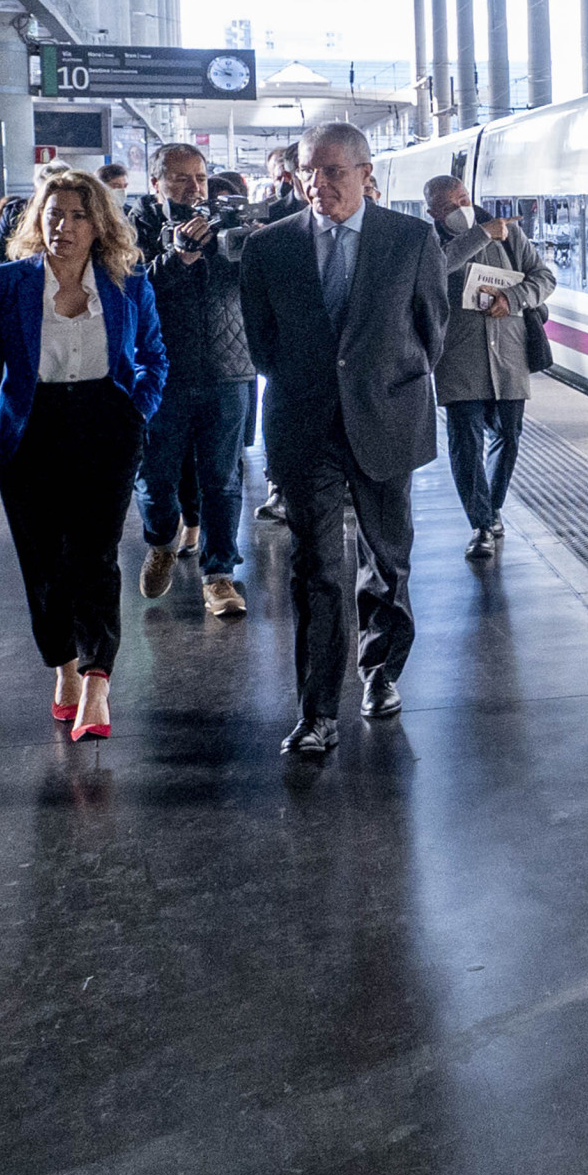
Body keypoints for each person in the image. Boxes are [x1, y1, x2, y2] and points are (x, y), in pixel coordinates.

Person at [237, 120, 446, 758]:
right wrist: (314, 384)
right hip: (305, 428)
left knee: (387, 561)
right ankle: (317, 711)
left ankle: (379, 670)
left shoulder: (411, 240)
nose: (317, 183)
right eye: (309, 169)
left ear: (365, 173)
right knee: (317, 567)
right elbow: (263, 343)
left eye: (332, 171)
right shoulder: (268, 247)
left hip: (385, 419)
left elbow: (430, 331)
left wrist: (380, 383)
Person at [0, 169, 168, 743]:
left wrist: (136, 410)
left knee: (96, 554)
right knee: (44, 560)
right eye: (54, 215)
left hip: (107, 422)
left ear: (98, 225)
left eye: (78, 216)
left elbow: (153, 355)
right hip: (31, 429)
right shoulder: (6, 282)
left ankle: (98, 679)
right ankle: (64, 667)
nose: (64, 227)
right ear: (38, 221)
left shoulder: (127, 281)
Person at [136, 143, 258, 617]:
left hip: (228, 369)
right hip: (161, 374)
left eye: (200, 178)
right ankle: (162, 541)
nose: (194, 187)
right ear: (157, 183)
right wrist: (177, 258)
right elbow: (131, 290)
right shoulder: (135, 228)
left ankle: (220, 576)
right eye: (181, 178)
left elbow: (253, 283)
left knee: (222, 480)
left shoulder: (228, 223)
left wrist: (255, 244)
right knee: (156, 478)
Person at [427, 174, 555, 561]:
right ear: (433, 212)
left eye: (463, 199)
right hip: (458, 358)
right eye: (449, 206)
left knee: (508, 436)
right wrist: (480, 235)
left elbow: (544, 277)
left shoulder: (510, 235)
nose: (460, 209)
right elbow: (434, 271)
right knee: (465, 443)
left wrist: (513, 297)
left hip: (509, 355)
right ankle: (480, 524)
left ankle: (492, 509)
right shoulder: (428, 241)